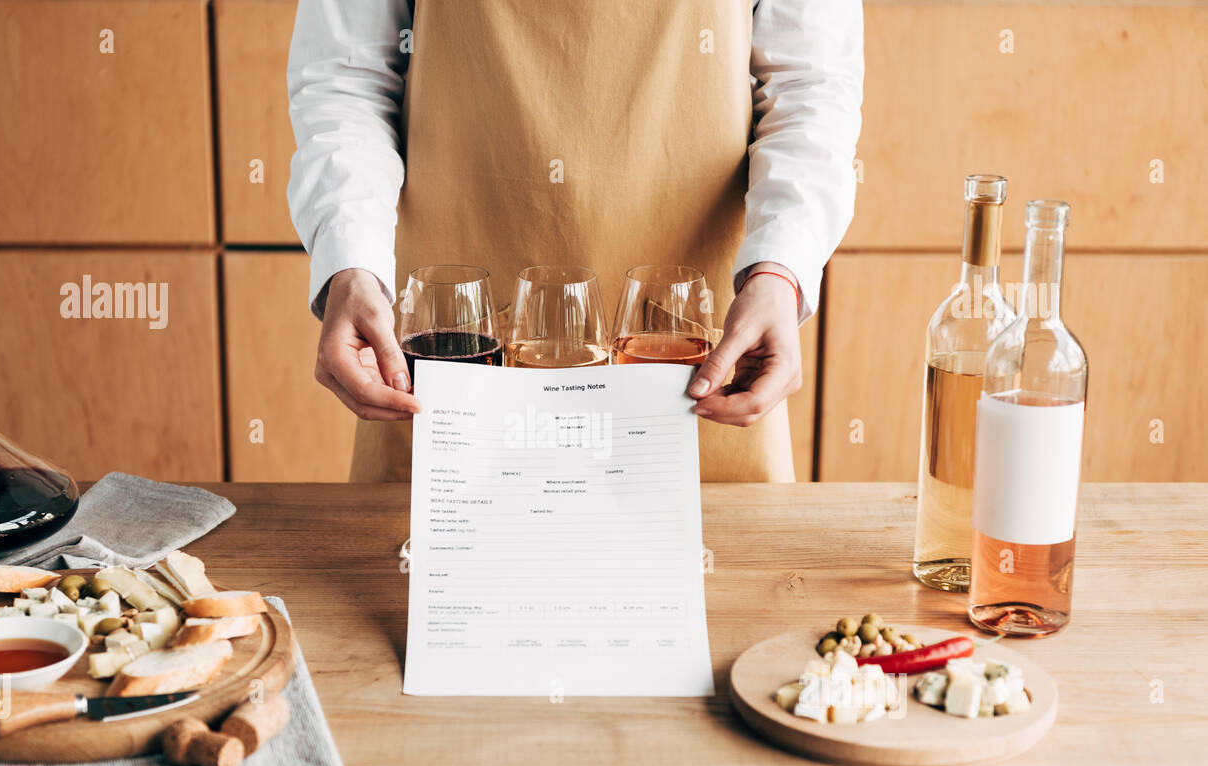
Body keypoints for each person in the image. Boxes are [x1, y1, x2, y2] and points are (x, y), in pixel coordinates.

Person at [288, 0, 862, 482]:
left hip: (696, 351)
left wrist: (779, 271)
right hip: (453, 348)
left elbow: (808, 85)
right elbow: (345, 76)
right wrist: (352, 264)